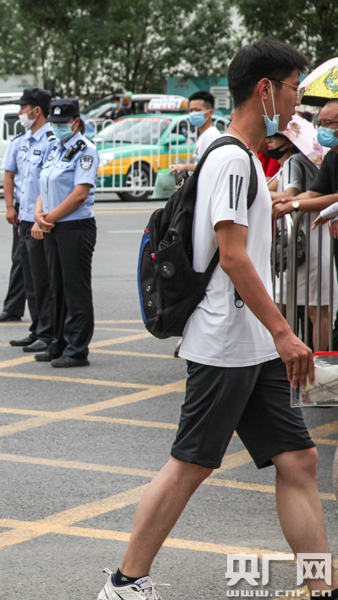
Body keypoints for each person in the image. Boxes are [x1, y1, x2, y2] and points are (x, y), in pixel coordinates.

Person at [98, 40, 337, 600]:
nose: (298, 102)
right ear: (265, 90)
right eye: (293, 88)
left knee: (299, 459)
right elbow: (232, 257)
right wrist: (285, 332)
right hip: (227, 341)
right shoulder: (230, 158)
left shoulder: (242, 157)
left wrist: (274, 335)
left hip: (253, 343)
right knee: (191, 463)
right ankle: (126, 582)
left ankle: (321, 584)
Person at [32, 99, 99, 368]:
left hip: (74, 227)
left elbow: (80, 194)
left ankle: (77, 349)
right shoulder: (53, 148)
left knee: (75, 289)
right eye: (54, 122)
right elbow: (44, 184)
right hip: (53, 225)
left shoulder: (86, 151)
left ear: (75, 122)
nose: (57, 127)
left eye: (62, 123)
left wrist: (48, 218)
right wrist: (39, 214)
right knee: (56, 287)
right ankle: (58, 343)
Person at [269, 117, 332, 351]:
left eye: (275, 137)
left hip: (302, 240)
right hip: (314, 238)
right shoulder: (309, 161)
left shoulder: (294, 161)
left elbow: (291, 193)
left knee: (286, 306)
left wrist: (286, 201)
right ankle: (320, 360)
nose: (270, 142)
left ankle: (286, 359)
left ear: (289, 141)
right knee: (317, 308)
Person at [3, 88, 56, 353]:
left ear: (36, 110)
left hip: (40, 220)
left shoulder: (51, 141)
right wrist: (9, 207)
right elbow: (9, 175)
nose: (20, 112)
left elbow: (49, 183)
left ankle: (47, 332)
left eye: (23, 108)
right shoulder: (20, 141)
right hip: (23, 218)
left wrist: (39, 217)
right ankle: (37, 329)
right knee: (31, 280)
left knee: (42, 280)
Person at [171, 91, 222, 173]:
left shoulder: (211, 135)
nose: (193, 113)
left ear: (210, 112)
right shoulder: (204, 135)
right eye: (191, 110)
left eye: (198, 110)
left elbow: (209, 167)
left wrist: (185, 167)